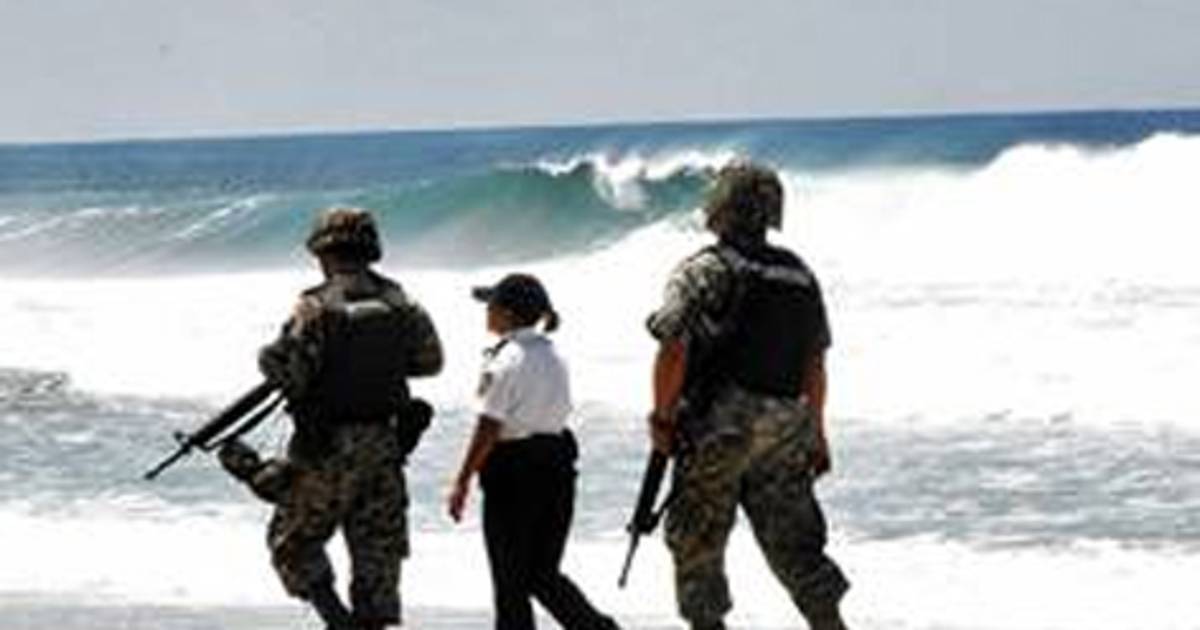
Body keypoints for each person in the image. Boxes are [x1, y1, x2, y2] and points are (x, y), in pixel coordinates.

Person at [644, 163, 850, 630]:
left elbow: (673, 346)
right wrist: (816, 432)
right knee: (796, 545)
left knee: (698, 544)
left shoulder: (702, 271)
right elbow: (814, 362)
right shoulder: (798, 275)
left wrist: (661, 419)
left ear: (720, 206)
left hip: (717, 429)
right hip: (785, 429)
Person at [237, 207, 443, 630]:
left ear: (323, 253)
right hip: (385, 448)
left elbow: (290, 373)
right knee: (377, 557)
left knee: (293, 541)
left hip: (326, 449)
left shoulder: (314, 307)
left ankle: (338, 622)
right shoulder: (400, 302)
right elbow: (429, 362)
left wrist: (269, 357)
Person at [447, 273, 619, 630]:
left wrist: (462, 480)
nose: (486, 312)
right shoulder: (553, 355)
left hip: (514, 472)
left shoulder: (505, 359)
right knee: (543, 574)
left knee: (510, 581)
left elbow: (489, 425)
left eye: (491, 305)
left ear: (508, 313)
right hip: (557, 465)